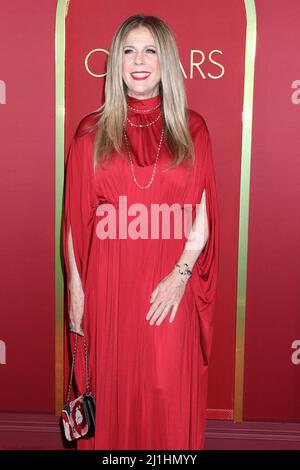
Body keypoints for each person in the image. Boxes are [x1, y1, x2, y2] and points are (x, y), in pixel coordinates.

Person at [63, 13, 219, 450]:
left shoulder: (193, 128)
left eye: (150, 49)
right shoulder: (91, 130)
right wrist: (77, 290)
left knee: (165, 389)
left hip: (170, 283)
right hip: (110, 284)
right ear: (116, 61)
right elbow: (76, 220)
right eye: (128, 50)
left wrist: (181, 276)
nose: (138, 60)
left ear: (165, 60)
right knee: (113, 389)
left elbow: (202, 217)